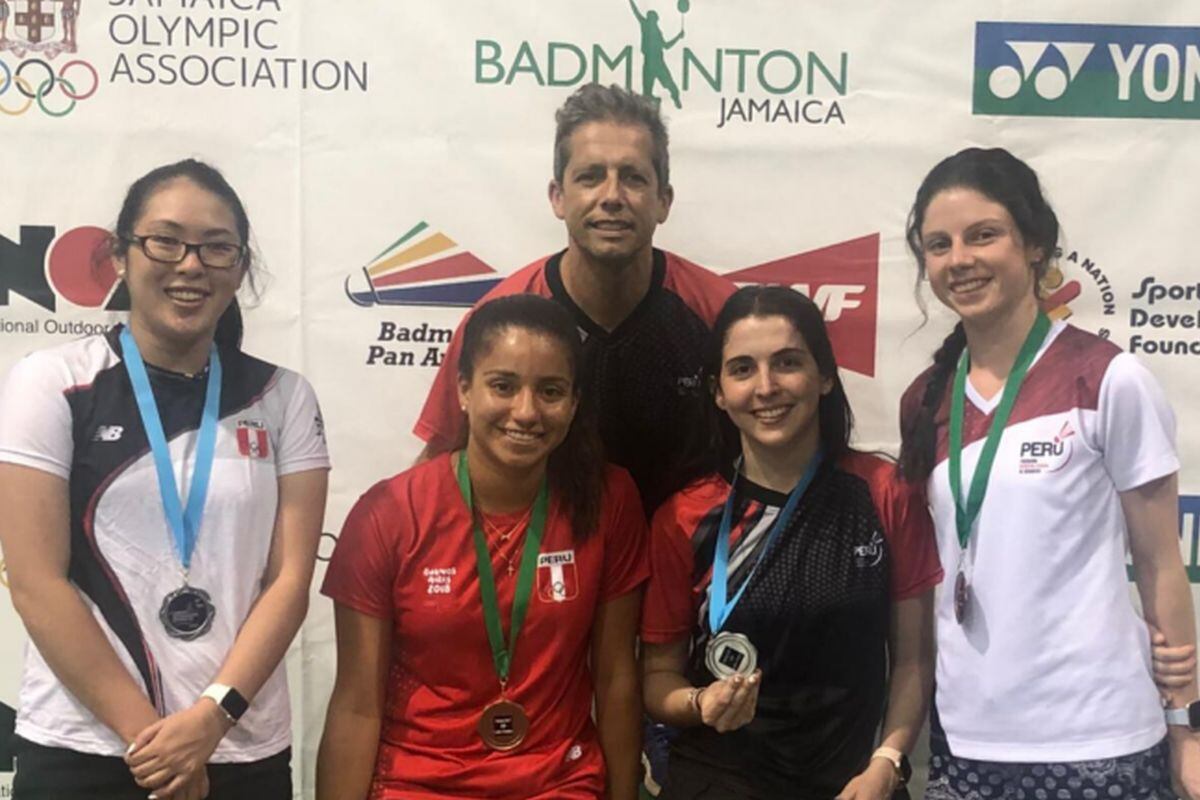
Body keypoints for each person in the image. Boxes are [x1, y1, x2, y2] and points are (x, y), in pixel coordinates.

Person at [0, 159, 330, 799]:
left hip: (238, 746)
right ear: (122, 256)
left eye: (216, 247)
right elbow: (36, 579)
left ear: (239, 266)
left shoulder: (282, 396)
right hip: (86, 746)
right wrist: (156, 742)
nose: (190, 264)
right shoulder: (51, 383)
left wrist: (210, 719)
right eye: (166, 240)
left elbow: (288, 580)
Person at [898, 147, 1200, 800]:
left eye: (984, 235)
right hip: (966, 745)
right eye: (939, 244)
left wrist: (1187, 731)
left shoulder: (1108, 379)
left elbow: (1159, 565)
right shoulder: (926, 399)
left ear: (1034, 244)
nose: (961, 260)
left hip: (1099, 741)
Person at [318, 294, 647, 800]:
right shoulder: (388, 513)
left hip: (558, 784)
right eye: (503, 386)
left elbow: (616, 678)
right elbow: (357, 703)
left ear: (575, 403)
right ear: (464, 390)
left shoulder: (608, 499)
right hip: (419, 785)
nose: (527, 412)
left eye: (551, 391)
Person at [641, 285, 942, 799]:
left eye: (787, 363)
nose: (766, 387)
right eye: (742, 369)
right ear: (717, 391)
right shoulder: (685, 515)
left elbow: (914, 659)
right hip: (717, 782)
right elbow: (658, 678)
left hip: (852, 786)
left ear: (824, 375)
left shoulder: (883, 493)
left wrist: (886, 763)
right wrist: (699, 703)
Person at [414, 82, 735, 515]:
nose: (611, 197)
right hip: (543, 570)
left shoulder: (720, 314)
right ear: (558, 197)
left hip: (695, 570)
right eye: (590, 177)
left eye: (633, 177)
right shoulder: (499, 321)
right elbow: (440, 461)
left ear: (663, 200)